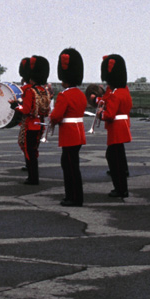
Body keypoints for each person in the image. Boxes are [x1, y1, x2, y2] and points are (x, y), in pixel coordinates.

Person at [49, 48, 88, 207]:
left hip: (69, 135)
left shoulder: (64, 95)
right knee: (72, 165)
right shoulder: (80, 94)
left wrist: (51, 117)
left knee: (69, 167)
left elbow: (56, 116)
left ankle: (73, 197)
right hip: (78, 133)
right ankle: (74, 196)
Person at [99, 54, 133, 198]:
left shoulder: (114, 94)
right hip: (123, 126)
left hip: (116, 129)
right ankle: (122, 187)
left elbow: (109, 114)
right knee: (117, 157)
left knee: (114, 160)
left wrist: (100, 114)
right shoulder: (124, 91)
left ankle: (120, 189)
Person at [14, 56, 51, 185]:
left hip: (30, 125)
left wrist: (15, 106)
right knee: (33, 151)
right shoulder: (43, 90)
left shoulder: (30, 91)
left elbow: (26, 110)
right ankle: (33, 175)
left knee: (28, 151)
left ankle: (33, 178)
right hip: (40, 124)